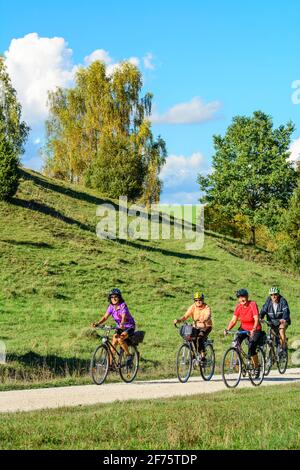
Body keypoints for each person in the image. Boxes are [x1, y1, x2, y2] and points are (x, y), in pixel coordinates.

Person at [92, 288, 136, 367]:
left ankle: (129, 355)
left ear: (119, 297)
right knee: (114, 341)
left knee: (120, 338)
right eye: (112, 297)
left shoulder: (123, 305)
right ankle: (110, 364)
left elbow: (124, 316)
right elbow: (105, 317)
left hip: (129, 326)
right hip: (119, 327)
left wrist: (122, 323)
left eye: (116, 296)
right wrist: (97, 323)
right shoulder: (111, 307)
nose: (114, 298)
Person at [224, 289, 262, 375]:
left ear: (247, 297)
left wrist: (254, 329)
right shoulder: (238, 307)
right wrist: (227, 329)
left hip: (255, 328)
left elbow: (256, 319)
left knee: (251, 348)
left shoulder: (252, 304)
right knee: (236, 342)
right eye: (240, 298)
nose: (242, 299)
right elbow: (233, 321)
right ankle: (240, 362)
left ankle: (256, 367)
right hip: (243, 328)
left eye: (243, 297)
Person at [174, 292, 213, 362]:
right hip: (196, 326)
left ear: (203, 300)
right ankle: (194, 354)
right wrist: (178, 320)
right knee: (191, 338)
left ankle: (203, 355)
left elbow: (208, 315)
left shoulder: (207, 307)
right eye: (196, 300)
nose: (198, 301)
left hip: (206, 326)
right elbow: (185, 316)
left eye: (200, 300)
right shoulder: (193, 307)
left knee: (200, 338)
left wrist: (204, 319)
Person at [260, 287, 291, 351]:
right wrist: (260, 317)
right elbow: (263, 310)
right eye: (271, 295)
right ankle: (272, 355)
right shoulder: (268, 301)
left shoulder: (282, 301)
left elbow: (286, 310)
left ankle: (282, 349)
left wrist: (284, 318)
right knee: (271, 337)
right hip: (272, 322)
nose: (273, 296)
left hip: (282, 321)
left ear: (278, 294)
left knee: (281, 330)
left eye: (275, 294)